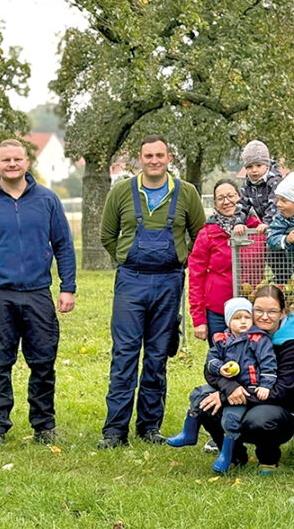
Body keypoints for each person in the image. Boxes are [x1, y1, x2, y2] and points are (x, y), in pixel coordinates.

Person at [0, 139, 77, 449]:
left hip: (38, 293)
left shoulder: (47, 200)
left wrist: (68, 287)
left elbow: (63, 244)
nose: (12, 164)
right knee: (0, 363)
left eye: (18, 159)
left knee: (43, 362)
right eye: (5, 159)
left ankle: (44, 425)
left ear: (27, 162)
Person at [96, 135, 207, 449]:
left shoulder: (186, 193)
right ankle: (114, 432)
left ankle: (149, 427)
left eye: (160, 155)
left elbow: (200, 237)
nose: (154, 160)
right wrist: (127, 257)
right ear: (139, 159)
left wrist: (180, 260)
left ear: (169, 157)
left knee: (157, 357)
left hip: (169, 282)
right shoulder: (121, 191)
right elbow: (107, 235)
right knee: (124, 356)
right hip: (131, 282)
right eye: (148, 155)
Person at [196, 285, 294, 475]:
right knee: (204, 404)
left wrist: (224, 397)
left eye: (272, 311)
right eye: (258, 311)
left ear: (282, 313)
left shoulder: (292, 343)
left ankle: (268, 459)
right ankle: (235, 456)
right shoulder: (242, 332)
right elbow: (211, 370)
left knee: (257, 420)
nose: (264, 317)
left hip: (277, 405)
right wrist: (229, 387)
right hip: (244, 393)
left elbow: (282, 391)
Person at [166, 298, 277, 473]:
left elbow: (268, 364)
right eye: (237, 318)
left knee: (230, 419)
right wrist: (221, 368)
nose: (242, 322)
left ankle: (227, 454)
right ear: (228, 321)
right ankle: (189, 431)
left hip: (246, 390)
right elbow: (211, 361)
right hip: (225, 386)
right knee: (198, 394)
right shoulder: (222, 340)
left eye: (246, 317)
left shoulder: (258, 340)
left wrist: (266, 385)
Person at [188, 179, 265, 344]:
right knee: (221, 358)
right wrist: (199, 320)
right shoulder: (207, 233)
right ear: (215, 203)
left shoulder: (256, 228)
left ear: (240, 197)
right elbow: (196, 277)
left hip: (251, 307)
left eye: (231, 196)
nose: (226, 201)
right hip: (218, 310)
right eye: (220, 198)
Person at [232, 140, 283, 236]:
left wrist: (267, 222)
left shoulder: (275, 181)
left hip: (282, 223)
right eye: (250, 167)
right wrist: (239, 223)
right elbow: (242, 204)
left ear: (266, 165)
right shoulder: (248, 184)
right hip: (267, 226)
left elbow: (275, 204)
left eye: (258, 165)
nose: (254, 170)